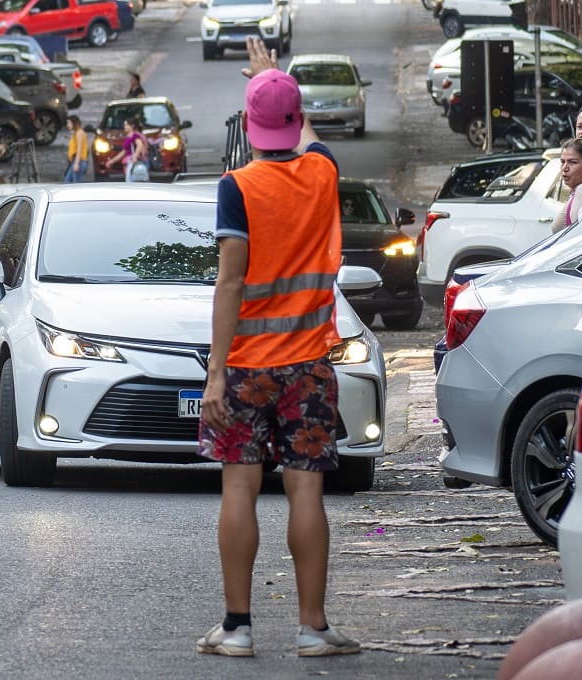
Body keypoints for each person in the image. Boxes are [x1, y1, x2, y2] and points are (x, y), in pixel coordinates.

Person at [195, 35, 361, 660]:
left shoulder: (237, 187)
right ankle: (312, 628)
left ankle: (236, 628)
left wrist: (216, 373)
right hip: (311, 368)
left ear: (248, 123)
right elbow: (308, 134)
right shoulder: (322, 173)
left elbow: (231, 280)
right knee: (306, 492)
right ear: (294, 119)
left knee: (239, 487)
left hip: (245, 369)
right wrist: (277, 77)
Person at [108, 118, 149, 182]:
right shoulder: (128, 137)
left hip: (132, 162)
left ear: (132, 126)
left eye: (126, 125)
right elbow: (124, 151)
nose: (125, 127)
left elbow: (140, 145)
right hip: (128, 163)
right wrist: (112, 161)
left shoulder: (135, 135)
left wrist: (135, 155)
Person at [64, 115, 89, 183]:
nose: (67, 125)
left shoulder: (79, 133)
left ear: (74, 123)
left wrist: (76, 163)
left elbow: (79, 149)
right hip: (75, 161)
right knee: (67, 181)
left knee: (75, 184)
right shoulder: (76, 133)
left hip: (79, 161)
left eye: (69, 123)